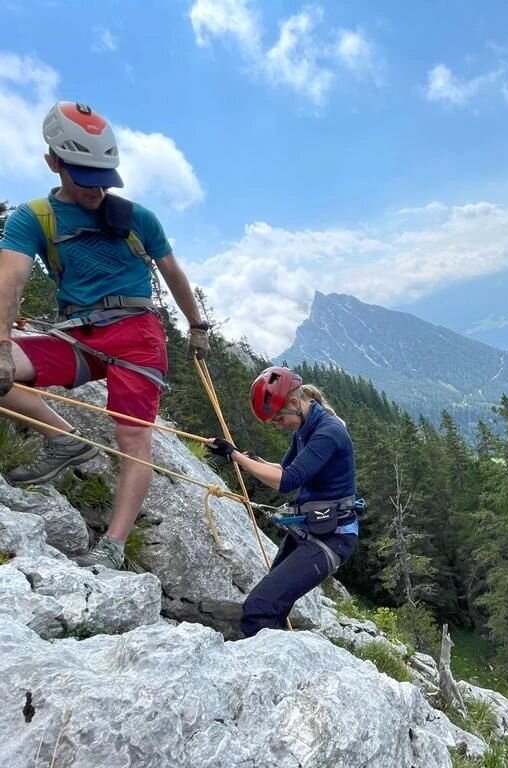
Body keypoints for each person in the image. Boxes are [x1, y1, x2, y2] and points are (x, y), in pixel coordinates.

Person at [0, 101, 210, 570]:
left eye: (103, 178)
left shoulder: (138, 218)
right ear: (53, 162)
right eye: (83, 177)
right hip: (78, 335)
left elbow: (173, 274)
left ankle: (113, 546)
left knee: (133, 438)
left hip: (139, 336)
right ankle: (66, 438)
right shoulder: (34, 218)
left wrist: (197, 326)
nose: (97, 189)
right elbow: (9, 282)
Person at [206, 366, 359, 637]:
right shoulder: (304, 429)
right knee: (270, 605)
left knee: (259, 608)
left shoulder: (328, 432)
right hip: (313, 529)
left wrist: (236, 458)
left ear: (293, 402)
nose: (277, 425)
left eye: (277, 419)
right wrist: (249, 458)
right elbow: (284, 469)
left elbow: (287, 480)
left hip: (333, 536)